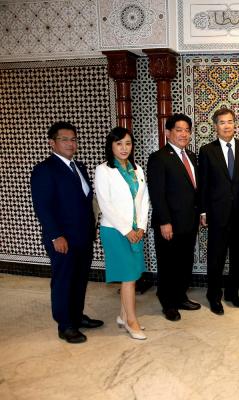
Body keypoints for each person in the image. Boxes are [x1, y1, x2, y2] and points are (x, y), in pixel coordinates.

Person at [31, 121, 103, 344]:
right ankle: (65, 325)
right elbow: (43, 207)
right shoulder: (44, 170)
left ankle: (76, 317)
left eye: (73, 139)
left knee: (79, 279)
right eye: (64, 139)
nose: (71, 143)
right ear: (52, 143)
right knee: (63, 281)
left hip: (83, 236)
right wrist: (55, 236)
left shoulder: (78, 166)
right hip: (63, 238)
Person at [95, 127, 150, 339]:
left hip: (137, 230)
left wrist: (142, 227)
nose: (124, 148)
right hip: (115, 231)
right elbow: (105, 204)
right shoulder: (103, 170)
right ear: (111, 146)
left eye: (127, 143)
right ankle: (131, 321)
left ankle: (122, 315)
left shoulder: (138, 169)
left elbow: (144, 200)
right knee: (128, 277)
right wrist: (127, 230)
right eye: (119, 144)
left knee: (133, 275)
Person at [198, 108, 239, 315]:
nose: (227, 125)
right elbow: (203, 184)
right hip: (217, 213)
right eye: (222, 122)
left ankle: (232, 293)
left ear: (235, 124)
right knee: (216, 258)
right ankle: (214, 296)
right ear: (216, 126)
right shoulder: (207, 150)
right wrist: (203, 211)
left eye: (230, 121)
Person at [147, 114, 201, 322]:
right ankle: (168, 303)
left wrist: (201, 213)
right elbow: (157, 193)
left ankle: (180, 297)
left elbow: (195, 189)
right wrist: (164, 221)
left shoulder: (192, 157)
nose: (184, 134)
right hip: (169, 224)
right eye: (179, 129)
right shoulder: (159, 157)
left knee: (184, 263)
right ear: (168, 132)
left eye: (187, 130)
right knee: (168, 265)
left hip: (190, 221)